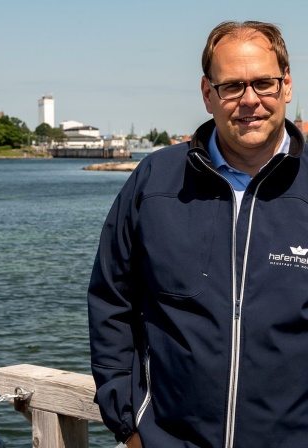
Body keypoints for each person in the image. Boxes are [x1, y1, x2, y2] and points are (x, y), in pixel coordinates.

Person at [88, 20, 308, 448]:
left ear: (286, 86)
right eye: (232, 87)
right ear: (208, 94)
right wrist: (129, 425)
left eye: (264, 83)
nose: (250, 101)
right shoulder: (155, 182)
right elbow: (111, 301)